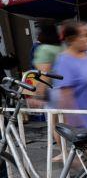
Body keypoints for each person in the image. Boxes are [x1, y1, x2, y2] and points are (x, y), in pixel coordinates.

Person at [51, 20, 87, 163]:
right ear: (72, 39)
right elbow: (65, 95)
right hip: (83, 119)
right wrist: (77, 123)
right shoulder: (64, 60)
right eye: (86, 35)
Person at [31, 23, 64, 161]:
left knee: (54, 124)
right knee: (68, 122)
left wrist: (39, 96)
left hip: (54, 92)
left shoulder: (44, 49)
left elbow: (44, 75)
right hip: (67, 90)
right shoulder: (62, 47)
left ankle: (65, 153)